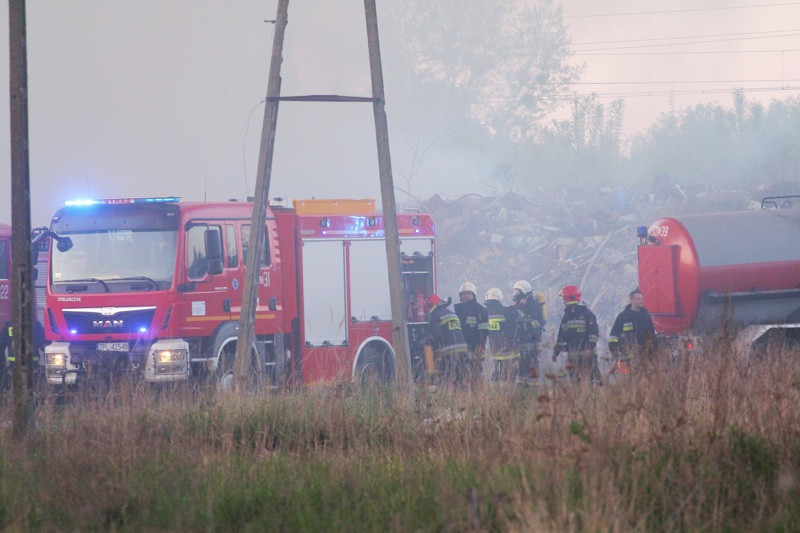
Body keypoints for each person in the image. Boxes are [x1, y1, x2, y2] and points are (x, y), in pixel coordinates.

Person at [552, 285, 600, 384]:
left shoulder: (587, 313)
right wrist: (556, 351)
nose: (563, 301)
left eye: (564, 298)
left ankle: (594, 398)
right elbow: (561, 336)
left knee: (592, 381)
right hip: (572, 357)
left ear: (570, 298)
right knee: (576, 384)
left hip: (588, 356)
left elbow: (593, 333)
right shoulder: (567, 316)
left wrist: (589, 348)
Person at [608, 288, 656, 374]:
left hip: (643, 356)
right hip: (624, 358)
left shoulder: (645, 315)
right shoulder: (623, 316)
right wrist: (614, 351)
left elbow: (652, 334)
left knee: (644, 379)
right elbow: (614, 336)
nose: (641, 301)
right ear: (631, 300)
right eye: (638, 299)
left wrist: (655, 350)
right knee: (625, 380)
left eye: (641, 299)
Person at [425, 294, 469, 386]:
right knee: (461, 378)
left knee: (446, 379)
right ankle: (463, 397)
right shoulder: (452, 313)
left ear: (431, 305)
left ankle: (445, 397)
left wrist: (426, 344)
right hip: (462, 350)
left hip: (449, 352)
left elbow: (434, 337)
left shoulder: (435, 316)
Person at [454, 281, 489, 387]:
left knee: (475, 371)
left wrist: (481, 344)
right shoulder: (458, 309)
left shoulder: (480, 309)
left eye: (468, 293)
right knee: (460, 372)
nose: (465, 296)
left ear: (473, 294)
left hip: (475, 346)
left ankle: (476, 394)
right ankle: (462, 395)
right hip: (461, 345)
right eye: (463, 294)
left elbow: (484, 329)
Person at [512, 280, 546, 387]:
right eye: (515, 291)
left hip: (532, 342)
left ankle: (532, 390)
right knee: (521, 367)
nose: (516, 294)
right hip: (520, 342)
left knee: (531, 367)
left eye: (518, 291)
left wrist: (526, 325)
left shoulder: (533, 304)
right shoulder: (517, 305)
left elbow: (539, 322)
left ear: (524, 292)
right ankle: (521, 389)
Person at [0, 316, 48, 389]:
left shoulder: (9, 325)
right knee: (33, 388)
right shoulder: (35, 325)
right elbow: (45, 343)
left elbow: (1, 345)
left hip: (14, 366)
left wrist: (3, 369)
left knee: (15, 390)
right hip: (32, 365)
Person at [483, 288, 520, 383]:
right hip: (508, 349)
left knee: (498, 369)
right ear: (499, 299)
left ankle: (495, 391)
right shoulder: (505, 311)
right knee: (509, 373)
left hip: (494, 350)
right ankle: (506, 392)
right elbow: (516, 315)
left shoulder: (484, 313)